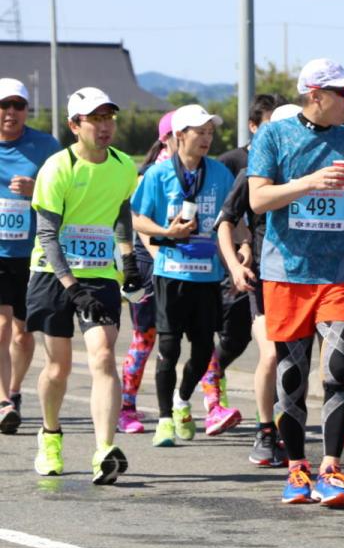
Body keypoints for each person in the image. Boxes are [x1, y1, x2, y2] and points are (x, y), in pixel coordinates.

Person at [247, 58, 344, 507]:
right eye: (342, 93)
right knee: (292, 376)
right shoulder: (274, 135)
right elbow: (259, 198)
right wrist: (308, 183)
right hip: (286, 273)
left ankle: (331, 467)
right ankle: (296, 469)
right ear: (315, 95)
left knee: (339, 369)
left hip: (339, 271)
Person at [28, 87, 141, 483]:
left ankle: (103, 450)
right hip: (52, 273)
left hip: (99, 273)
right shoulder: (58, 168)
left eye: (109, 118)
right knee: (58, 368)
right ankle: (51, 434)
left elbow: (121, 209)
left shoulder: (125, 164)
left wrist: (127, 258)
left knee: (104, 355)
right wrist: (71, 287)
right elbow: (47, 236)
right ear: (75, 126)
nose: (105, 126)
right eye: (95, 119)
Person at [131, 105, 237, 446]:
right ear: (180, 135)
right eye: (199, 132)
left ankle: (181, 400)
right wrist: (166, 232)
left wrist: (241, 251)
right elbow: (137, 218)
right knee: (168, 347)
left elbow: (232, 221)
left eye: (210, 132)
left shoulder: (220, 174)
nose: (206, 138)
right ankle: (164, 419)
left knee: (205, 350)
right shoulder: (158, 175)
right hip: (170, 273)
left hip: (208, 276)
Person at [215, 103, 302, 467]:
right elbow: (224, 221)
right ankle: (265, 431)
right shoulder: (254, 172)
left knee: (296, 359)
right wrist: (235, 264)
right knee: (270, 353)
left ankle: (290, 427)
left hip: (305, 276)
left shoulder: (312, 172)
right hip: (265, 278)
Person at [195, 95, 286, 436]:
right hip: (231, 267)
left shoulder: (294, 162)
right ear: (253, 126)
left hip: (261, 263)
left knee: (244, 343)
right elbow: (224, 216)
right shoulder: (234, 162)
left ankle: (273, 419)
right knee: (231, 337)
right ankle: (206, 395)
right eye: (269, 125)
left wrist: (246, 244)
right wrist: (234, 259)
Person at [0, 78, 59, 434]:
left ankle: (15, 389)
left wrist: (36, 189)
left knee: (23, 334)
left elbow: (62, 190)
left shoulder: (45, 145)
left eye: (17, 105)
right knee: (2, 326)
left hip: (33, 250)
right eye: (4, 105)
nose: (10, 112)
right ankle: (3, 400)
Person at [118, 111, 175, 434]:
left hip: (185, 265)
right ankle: (126, 407)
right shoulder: (150, 174)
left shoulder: (194, 172)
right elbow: (136, 222)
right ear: (168, 137)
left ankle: (210, 405)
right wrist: (158, 255)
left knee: (197, 334)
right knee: (145, 338)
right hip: (148, 265)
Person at [216, 93, 284, 176]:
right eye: (271, 125)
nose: (279, 131)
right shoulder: (227, 163)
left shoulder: (288, 163)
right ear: (253, 126)